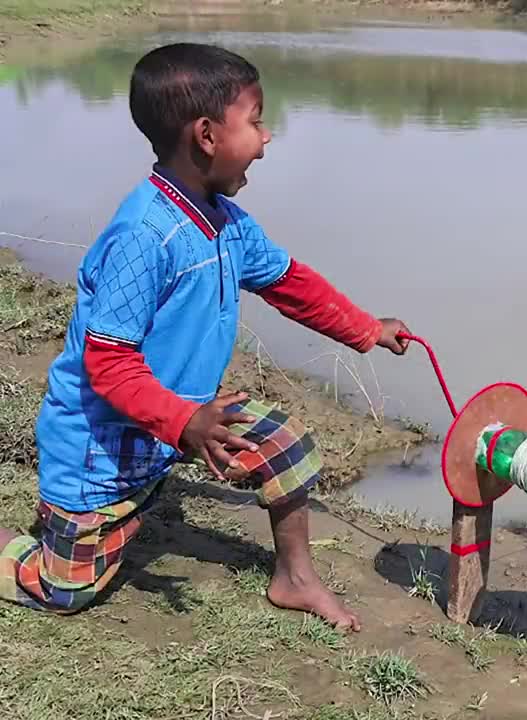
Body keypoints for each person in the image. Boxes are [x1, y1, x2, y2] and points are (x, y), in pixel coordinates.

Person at [0, 42, 411, 631]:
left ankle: (294, 577)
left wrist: (367, 329)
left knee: (285, 445)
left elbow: (289, 283)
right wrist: (186, 423)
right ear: (207, 136)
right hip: (99, 452)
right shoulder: (144, 236)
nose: (267, 139)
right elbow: (109, 365)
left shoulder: (227, 223)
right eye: (256, 120)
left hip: (176, 427)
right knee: (64, 590)